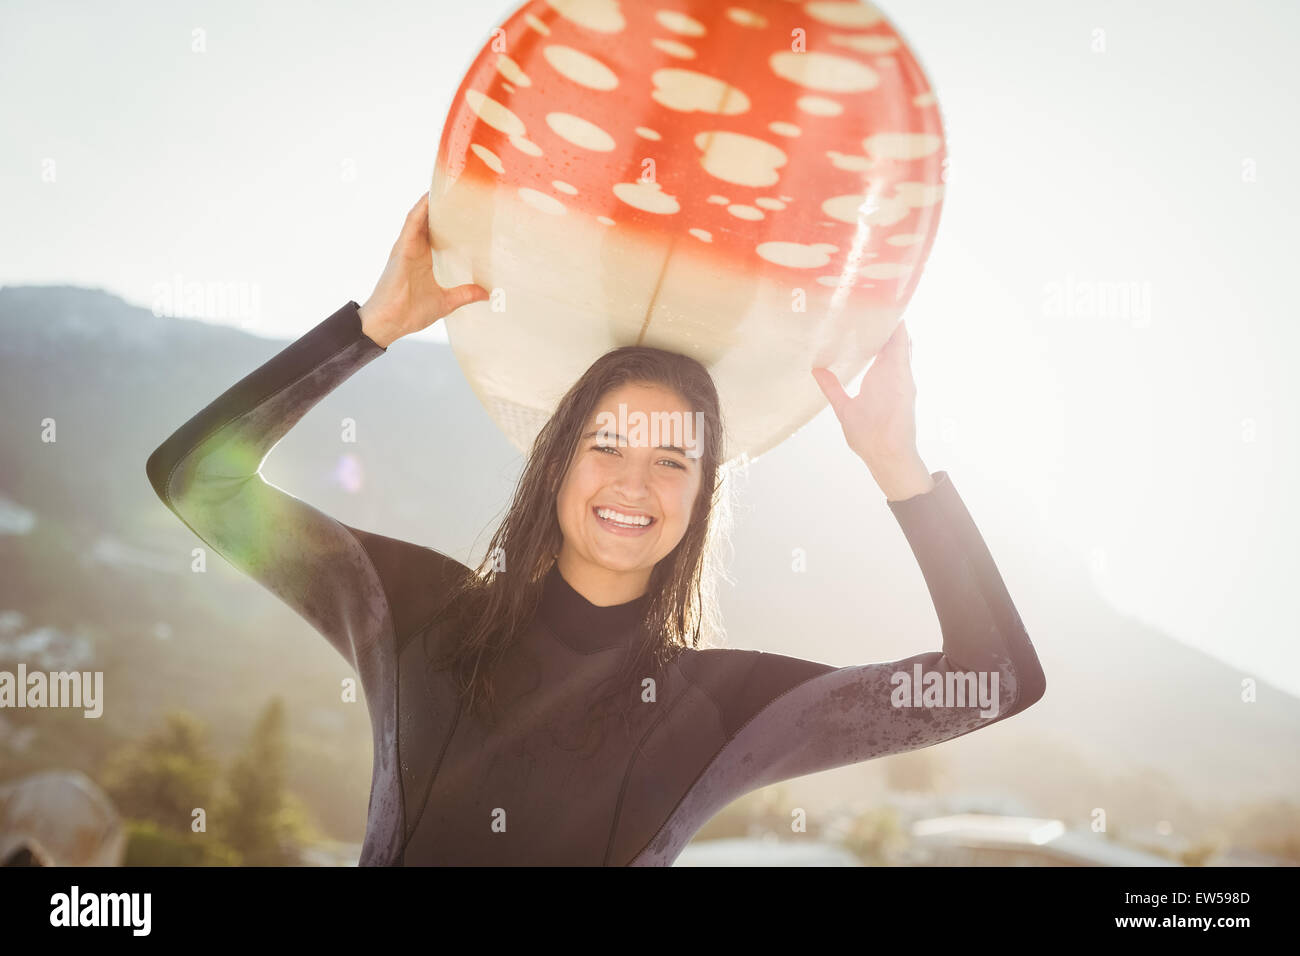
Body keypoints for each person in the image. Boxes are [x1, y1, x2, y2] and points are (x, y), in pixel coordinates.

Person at [145, 192, 1046, 866]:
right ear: (558, 462)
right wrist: (370, 328)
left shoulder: (729, 710)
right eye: (607, 445)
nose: (633, 483)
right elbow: (197, 480)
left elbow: (995, 679)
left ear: (698, 501)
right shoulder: (415, 613)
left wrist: (899, 467)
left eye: (672, 461)